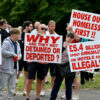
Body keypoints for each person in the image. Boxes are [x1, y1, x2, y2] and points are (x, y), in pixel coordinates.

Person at [50, 32, 75, 100]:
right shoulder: (60, 43)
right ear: (65, 37)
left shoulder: (75, 46)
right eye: (68, 37)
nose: (69, 39)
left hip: (69, 68)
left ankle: (68, 98)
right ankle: (52, 98)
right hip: (59, 67)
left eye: (71, 37)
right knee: (56, 85)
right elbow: (56, 52)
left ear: (73, 39)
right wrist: (64, 47)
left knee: (69, 86)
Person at [26, 24, 48, 100]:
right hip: (33, 61)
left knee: (40, 80)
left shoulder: (49, 38)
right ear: (38, 29)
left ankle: (37, 96)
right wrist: (37, 37)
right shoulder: (32, 36)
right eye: (42, 29)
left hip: (43, 62)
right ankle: (27, 96)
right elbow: (28, 46)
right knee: (30, 79)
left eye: (46, 29)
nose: (44, 30)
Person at [0, 28, 21, 100]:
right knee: (1, 87)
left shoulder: (17, 43)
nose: (19, 36)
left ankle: (10, 99)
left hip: (14, 68)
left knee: (11, 88)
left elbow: (19, 53)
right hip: (5, 68)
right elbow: (3, 52)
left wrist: (19, 57)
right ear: (14, 35)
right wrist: (13, 54)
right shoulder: (6, 42)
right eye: (18, 35)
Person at [40, 20, 58, 96]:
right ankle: (42, 90)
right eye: (52, 26)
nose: (53, 28)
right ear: (48, 26)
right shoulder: (44, 34)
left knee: (53, 75)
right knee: (44, 74)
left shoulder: (57, 36)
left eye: (54, 26)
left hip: (53, 58)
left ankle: (52, 91)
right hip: (45, 57)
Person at [15, 21, 33, 96]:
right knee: (18, 73)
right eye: (31, 26)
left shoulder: (32, 35)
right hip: (21, 57)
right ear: (26, 27)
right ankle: (14, 89)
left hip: (28, 57)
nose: (32, 28)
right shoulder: (21, 35)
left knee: (27, 74)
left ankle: (25, 90)